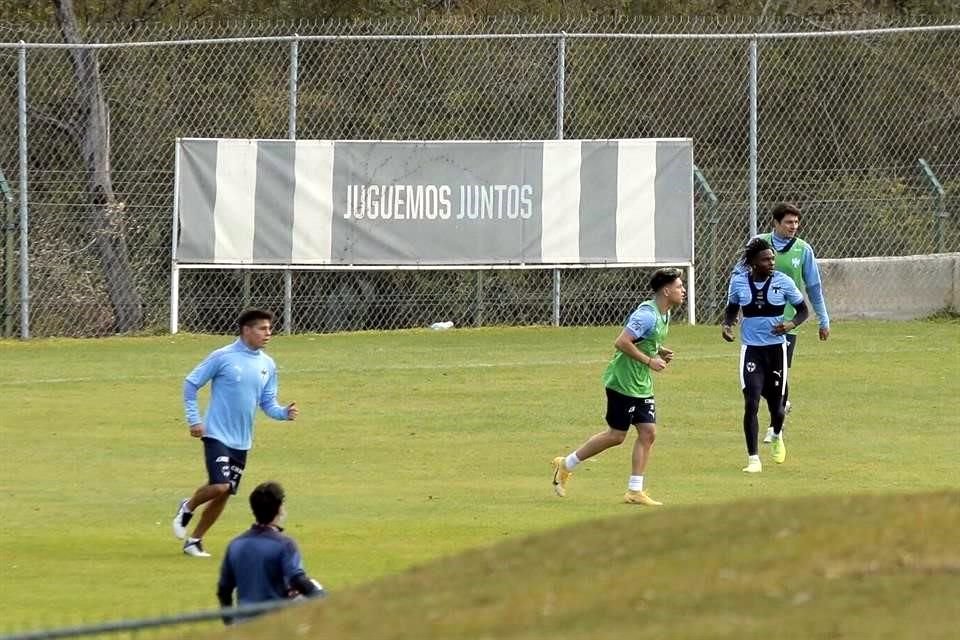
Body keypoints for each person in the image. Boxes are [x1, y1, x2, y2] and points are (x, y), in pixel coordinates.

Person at [551, 268, 686, 505]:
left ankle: (634, 491)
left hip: (641, 384)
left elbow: (644, 340)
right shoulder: (647, 314)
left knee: (648, 432)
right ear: (666, 291)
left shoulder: (665, 313)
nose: (683, 290)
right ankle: (566, 464)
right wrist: (650, 360)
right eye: (679, 287)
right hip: (622, 383)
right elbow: (621, 342)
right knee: (616, 436)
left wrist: (658, 349)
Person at [173, 308, 299, 557]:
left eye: (269, 329)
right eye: (263, 329)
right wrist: (194, 420)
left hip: (242, 441)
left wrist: (283, 413)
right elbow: (191, 384)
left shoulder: (268, 364)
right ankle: (187, 506)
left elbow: (267, 403)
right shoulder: (222, 357)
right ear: (246, 330)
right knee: (220, 485)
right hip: (215, 433)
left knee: (225, 492)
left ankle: (194, 541)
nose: (268, 334)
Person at [722, 237, 809, 473]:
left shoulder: (784, 282)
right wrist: (727, 326)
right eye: (766, 259)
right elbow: (731, 310)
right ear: (753, 262)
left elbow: (803, 311)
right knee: (751, 402)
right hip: (751, 350)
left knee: (777, 407)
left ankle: (777, 433)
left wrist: (790, 325)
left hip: (776, 350)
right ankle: (753, 459)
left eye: (772, 258)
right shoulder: (739, 282)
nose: (772, 262)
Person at [756, 203, 831, 443]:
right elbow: (742, 274)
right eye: (789, 222)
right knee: (761, 376)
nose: (794, 227)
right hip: (759, 321)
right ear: (776, 223)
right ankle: (782, 403)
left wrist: (823, 318)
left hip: (788, 322)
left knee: (779, 371)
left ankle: (775, 426)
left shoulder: (803, 250)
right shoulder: (758, 244)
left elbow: (814, 287)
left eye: (797, 223)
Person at [217, 481, 324, 624]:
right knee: (314, 587)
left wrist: (230, 624)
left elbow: (224, 590)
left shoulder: (236, 544)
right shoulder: (284, 545)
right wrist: (323, 598)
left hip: (244, 626)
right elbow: (297, 580)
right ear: (280, 508)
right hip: (274, 626)